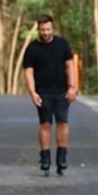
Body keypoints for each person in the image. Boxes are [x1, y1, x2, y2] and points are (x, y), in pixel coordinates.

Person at [22, 14, 78, 174]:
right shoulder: (32, 49)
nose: (45, 32)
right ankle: (45, 157)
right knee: (45, 124)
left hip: (61, 92)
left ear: (52, 28)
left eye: (48, 29)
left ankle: (62, 157)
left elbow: (70, 66)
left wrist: (72, 87)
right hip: (43, 93)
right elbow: (28, 72)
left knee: (62, 123)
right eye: (42, 30)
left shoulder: (62, 44)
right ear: (38, 29)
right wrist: (32, 92)